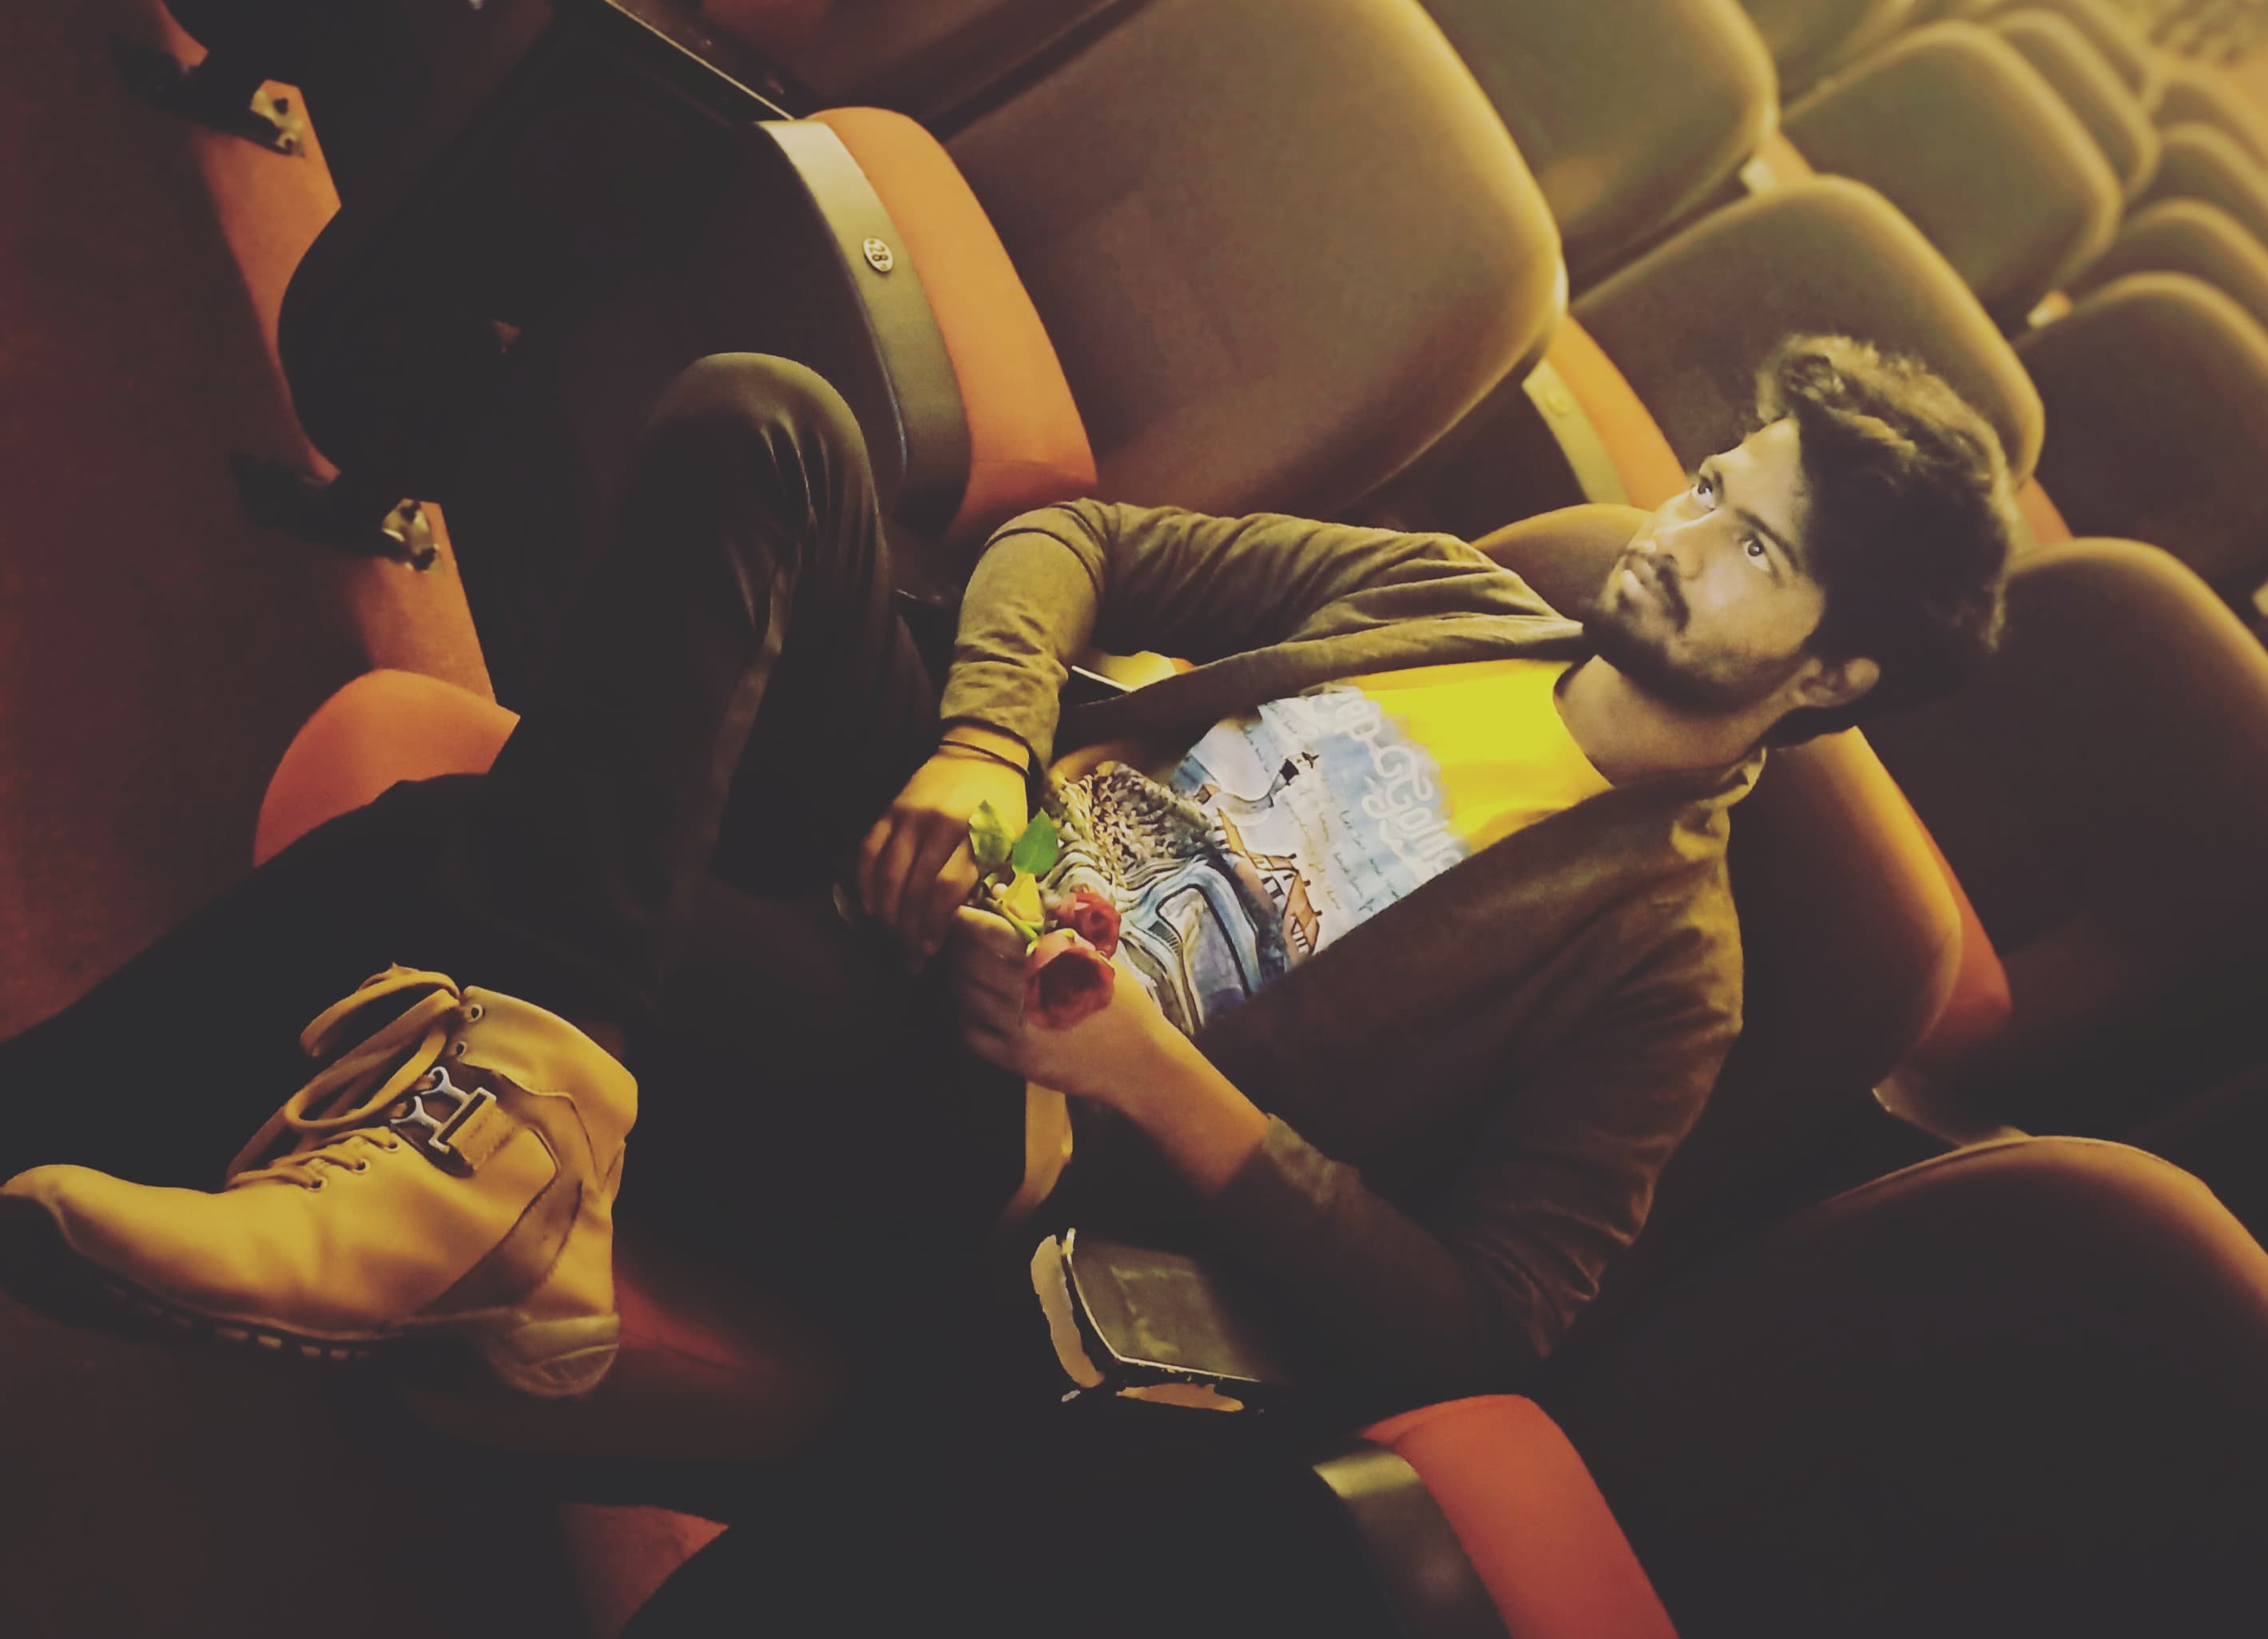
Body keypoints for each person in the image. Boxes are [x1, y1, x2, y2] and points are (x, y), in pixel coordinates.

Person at [0, 332, 2014, 1414]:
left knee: (437, 858)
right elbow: (1077, 544)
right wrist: (980, 747)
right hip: (959, 836)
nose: (1677, 533)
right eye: (1711, 484)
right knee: (774, 422)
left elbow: (1481, 1324)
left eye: (1755, 550)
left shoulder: (1666, 966)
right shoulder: (1458, 599)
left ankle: (463, 1135)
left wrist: (1141, 1073)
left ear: (1832, 676)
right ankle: (522, 1138)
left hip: (987, 1104)